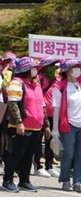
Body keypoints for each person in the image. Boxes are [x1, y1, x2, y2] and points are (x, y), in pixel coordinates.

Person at [2, 57, 51, 193]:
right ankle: (7, 180)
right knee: (15, 154)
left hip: (36, 126)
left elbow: (42, 106)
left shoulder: (36, 84)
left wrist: (46, 125)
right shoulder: (16, 83)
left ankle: (24, 180)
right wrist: (19, 123)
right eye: (32, 68)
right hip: (21, 126)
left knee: (28, 156)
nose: (35, 70)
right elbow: (13, 104)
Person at [52, 59, 81, 192]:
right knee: (69, 153)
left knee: (80, 154)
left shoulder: (80, 84)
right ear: (67, 70)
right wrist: (55, 130)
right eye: (74, 67)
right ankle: (65, 180)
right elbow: (56, 110)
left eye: (78, 67)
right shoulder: (60, 87)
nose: (77, 69)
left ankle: (78, 181)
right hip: (68, 125)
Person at [33, 57, 59, 178]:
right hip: (41, 114)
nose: (53, 68)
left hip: (53, 114)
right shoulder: (39, 78)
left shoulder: (56, 80)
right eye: (51, 65)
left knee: (51, 141)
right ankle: (38, 166)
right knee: (38, 141)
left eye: (54, 65)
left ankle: (49, 165)